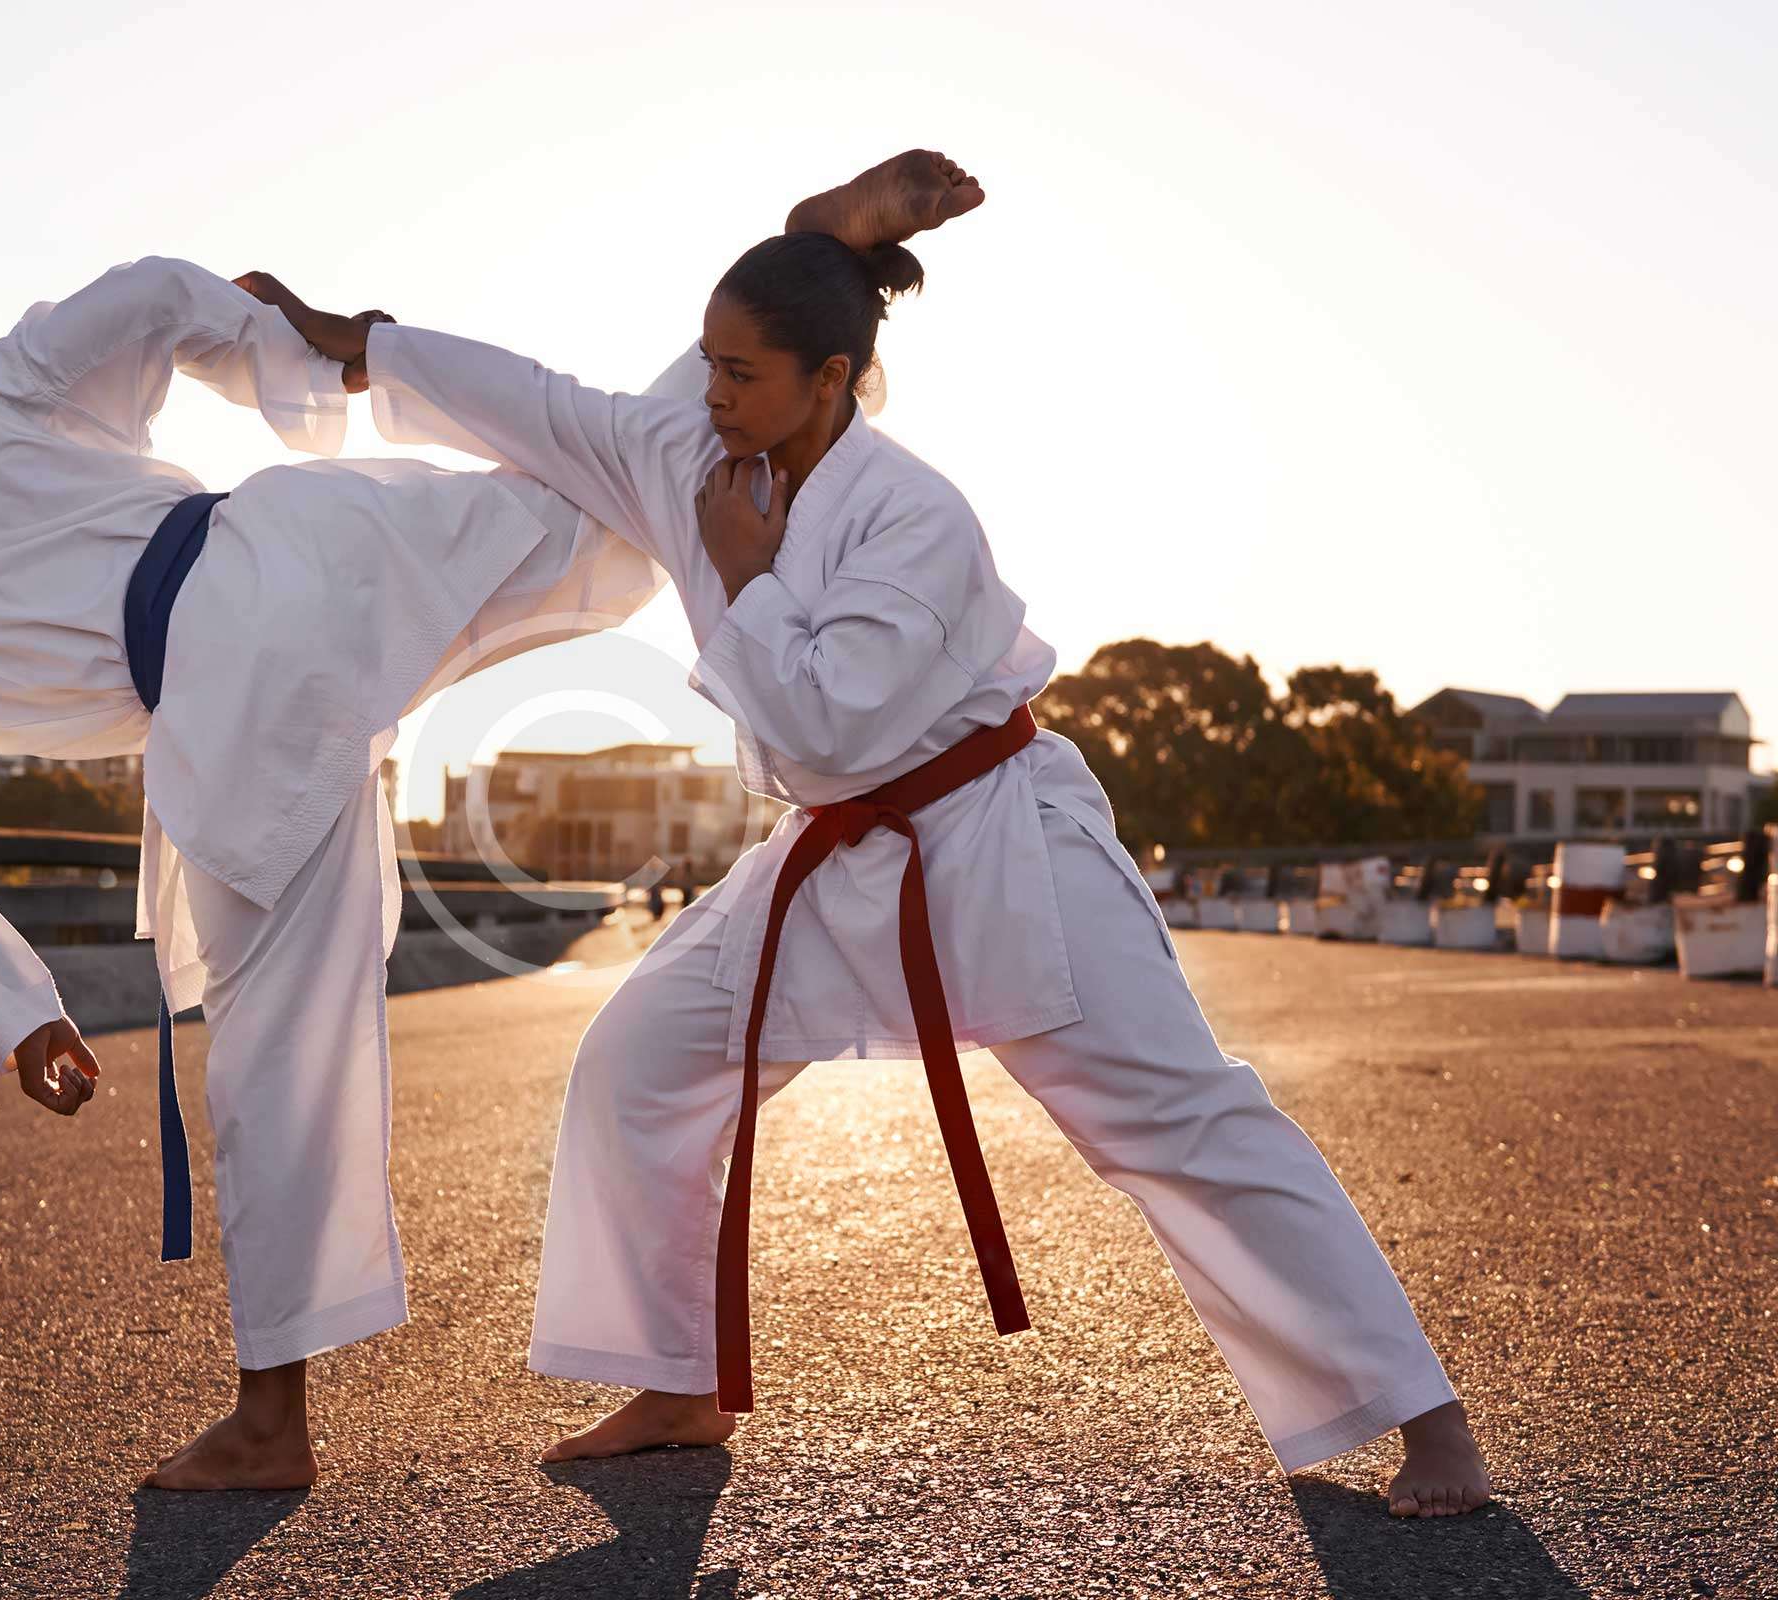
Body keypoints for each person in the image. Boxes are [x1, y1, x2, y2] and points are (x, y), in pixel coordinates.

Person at [252, 150, 1495, 1517]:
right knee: (639, 1059)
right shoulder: (691, 455)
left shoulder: (915, 517)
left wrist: (744, 577)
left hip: (999, 843)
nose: (709, 395)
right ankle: (677, 1379)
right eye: (708, 364)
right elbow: (542, 402)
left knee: (1183, 1120)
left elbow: (835, 723)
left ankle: (1424, 1418)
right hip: (830, 856)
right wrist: (360, 345)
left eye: (741, 374)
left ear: (833, 379)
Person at [0, 255, 671, 1490]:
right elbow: (149, 293)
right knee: (606, 506)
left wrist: (13, 1008)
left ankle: (270, 1420)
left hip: (237, 717)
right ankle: (786, 378)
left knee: (279, 1054)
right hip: (305, 545)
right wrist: (289, 355)